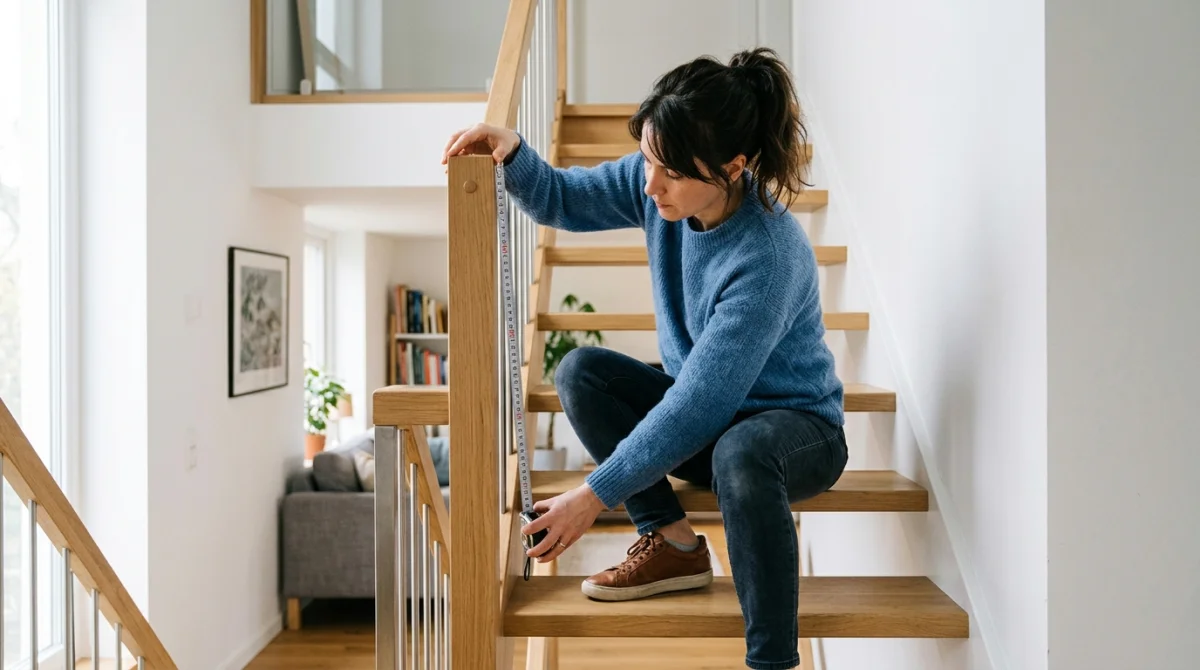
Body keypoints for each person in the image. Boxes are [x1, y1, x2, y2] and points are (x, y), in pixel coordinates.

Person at [442, 47, 848, 670]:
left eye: (671, 173)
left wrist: (594, 494)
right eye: (649, 161)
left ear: (732, 167)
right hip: (714, 429)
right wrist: (514, 151)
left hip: (796, 433)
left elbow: (700, 404)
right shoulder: (658, 181)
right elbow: (562, 199)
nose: (650, 184)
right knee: (583, 371)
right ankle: (673, 543)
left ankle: (773, 661)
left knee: (744, 450)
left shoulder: (769, 255)